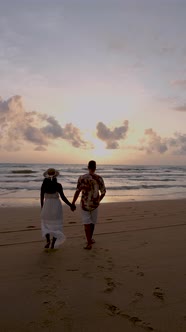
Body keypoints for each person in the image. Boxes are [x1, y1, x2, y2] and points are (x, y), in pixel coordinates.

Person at [72, 160, 106, 250]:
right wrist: (98, 200)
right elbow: (103, 192)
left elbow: (77, 191)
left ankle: (89, 243)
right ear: (95, 167)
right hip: (95, 205)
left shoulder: (81, 178)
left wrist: (73, 202)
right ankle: (90, 239)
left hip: (84, 204)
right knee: (92, 222)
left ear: (88, 167)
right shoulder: (99, 178)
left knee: (86, 223)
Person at [40, 168, 76, 249]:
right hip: (56, 205)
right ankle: (53, 243)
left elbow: (41, 197)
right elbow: (63, 197)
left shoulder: (44, 185)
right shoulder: (58, 185)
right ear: (55, 175)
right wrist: (71, 205)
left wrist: (42, 207)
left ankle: (48, 240)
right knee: (57, 225)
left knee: (45, 224)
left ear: (47, 175)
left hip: (47, 205)